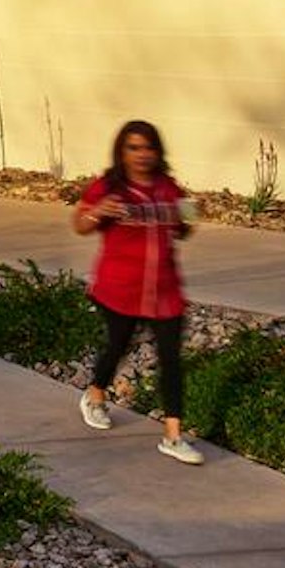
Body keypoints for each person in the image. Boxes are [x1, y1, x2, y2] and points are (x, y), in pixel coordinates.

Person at [76, 117, 207, 465]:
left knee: (171, 360)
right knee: (118, 344)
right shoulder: (109, 187)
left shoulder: (168, 187)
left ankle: (173, 436)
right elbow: (80, 225)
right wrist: (98, 212)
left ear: (158, 151)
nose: (142, 154)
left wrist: (191, 216)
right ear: (122, 151)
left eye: (148, 147)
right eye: (133, 147)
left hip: (165, 291)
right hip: (119, 288)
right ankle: (95, 395)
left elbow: (185, 226)